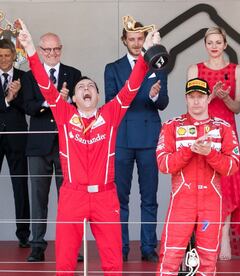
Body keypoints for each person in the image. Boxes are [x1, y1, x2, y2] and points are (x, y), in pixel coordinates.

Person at [18, 19, 159, 274]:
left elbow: (131, 87)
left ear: (98, 96)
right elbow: (44, 85)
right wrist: (30, 50)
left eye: (91, 87)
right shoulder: (63, 113)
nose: (86, 89)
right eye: (81, 87)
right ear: (73, 97)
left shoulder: (110, 114)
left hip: (105, 195)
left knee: (113, 261)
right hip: (72, 195)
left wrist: (146, 55)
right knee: (64, 262)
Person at [156, 78, 240, 275]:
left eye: (201, 96)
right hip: (182, 201)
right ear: (186, 98)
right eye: (192, 97)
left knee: (208, 260)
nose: (196, 101)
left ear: (208, 98)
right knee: (169, 257)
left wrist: (209, 153)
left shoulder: (223, 127)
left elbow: (232, 167)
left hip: (211, 202)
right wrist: (189, 151)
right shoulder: (171, 126)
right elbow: (163, 164)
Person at [104, 18, 168, 263]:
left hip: (149, 137)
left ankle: (148, 247)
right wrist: (141, 91)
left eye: (140, 39)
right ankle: (120, 248)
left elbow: (163, 102)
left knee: (149, 198)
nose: (135, 43)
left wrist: (153, 97)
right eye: (131, 39)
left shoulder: (158, 66)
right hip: (121, 138)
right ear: (124, 41)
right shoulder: (113, 68)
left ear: (145, 40)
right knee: (120, 199)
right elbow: (112, 103)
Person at [187, 26, 240, 260]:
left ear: (225, 45)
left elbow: (237, 107)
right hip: (202, 131)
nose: (214, 47)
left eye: (218, 42)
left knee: (228, 184)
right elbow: (192, 108)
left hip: (226, 132)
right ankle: (203, 238)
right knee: (203, 182)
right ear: (205, 45)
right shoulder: (195, 69)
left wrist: (225, 98)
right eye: (210, 43)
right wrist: (211, 96)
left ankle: (223, 237)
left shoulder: (238, 70)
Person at [21, 31, 82, 262]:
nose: (52, 53)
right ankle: (37, 246)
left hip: (67, 146)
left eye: (56, 49)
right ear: (40, 50)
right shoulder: (29, 77)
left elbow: (83, 107)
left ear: (61, 49)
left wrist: (67, 102)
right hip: (38, 146)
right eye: (47, 50)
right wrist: (53, 100)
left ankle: (72, 247)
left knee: (69, 201)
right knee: (39, 199)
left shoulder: (74, 74)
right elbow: (28, 106)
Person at [0, 38, 30, 248]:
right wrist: (8, 98)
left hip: (17, 138)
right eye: (0, 56)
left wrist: (16, 96)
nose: (3, 59)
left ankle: (23, 234)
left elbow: (29, 106)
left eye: (7, 55)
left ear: (13, 56)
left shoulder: (24, 77)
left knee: (20, 186)